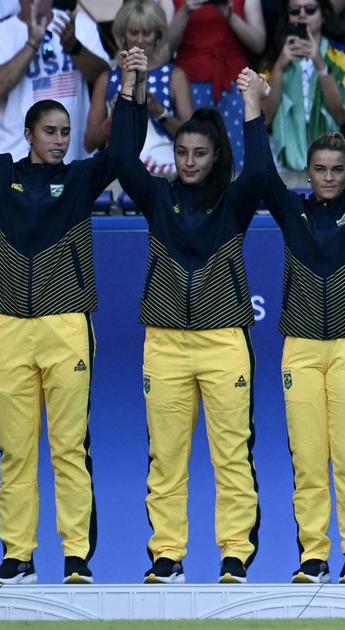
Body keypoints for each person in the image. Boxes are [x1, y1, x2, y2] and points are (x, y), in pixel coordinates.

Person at [0, 67, 118, 584]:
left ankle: (77, 556)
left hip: (66, 326)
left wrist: (136, 89)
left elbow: (125, 148)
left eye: (65, 133)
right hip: (10, 326)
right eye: (50, 132)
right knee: (15, 451)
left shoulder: (81, 180)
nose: (59, 141)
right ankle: (19, 557)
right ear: (28, 135)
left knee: (68, 449)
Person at [101, 44, 263, 582]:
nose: (189, 162)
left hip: (223, 342)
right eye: (183, 152)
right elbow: (122, 158)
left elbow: (261, 172)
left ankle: (235, 554)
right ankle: (167, 555)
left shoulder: (235, 203)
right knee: (165, 459)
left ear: (216, 156)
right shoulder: (158, 197)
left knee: (230, 457)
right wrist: (131, 88)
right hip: (165, 344)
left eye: (199, 153)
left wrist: (253, 108)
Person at [237, 64, 345, 583]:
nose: (328, 177)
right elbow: (259, 173)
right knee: (307, 461)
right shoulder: (292, 213)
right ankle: (313, 555)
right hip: (300, 348)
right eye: (319, 170)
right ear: (308, 174)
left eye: (336, 169)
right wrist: (253, 109)